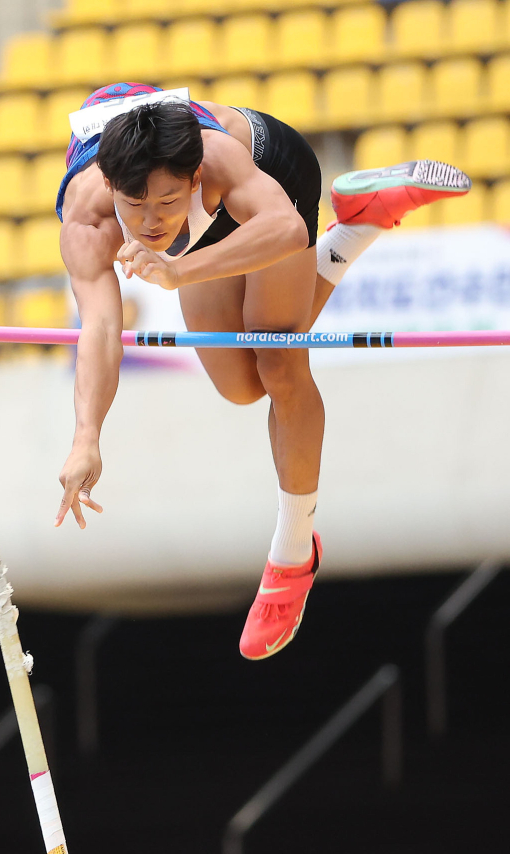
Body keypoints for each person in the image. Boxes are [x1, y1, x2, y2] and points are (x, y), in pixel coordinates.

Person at [53, 83, 471, 660]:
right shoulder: (87, 220)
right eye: (135, 205)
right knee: (240, 387)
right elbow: (100, 328)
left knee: (279, 361)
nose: (150, 224)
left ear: (194, 180)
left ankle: (292, 554)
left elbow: (286, 230)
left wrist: (179, 272)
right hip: (200, 220)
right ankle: (359, 225)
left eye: (167, 203)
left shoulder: (218, 160)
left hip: (274, 182)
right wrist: (86, 438)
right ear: (110, 186)